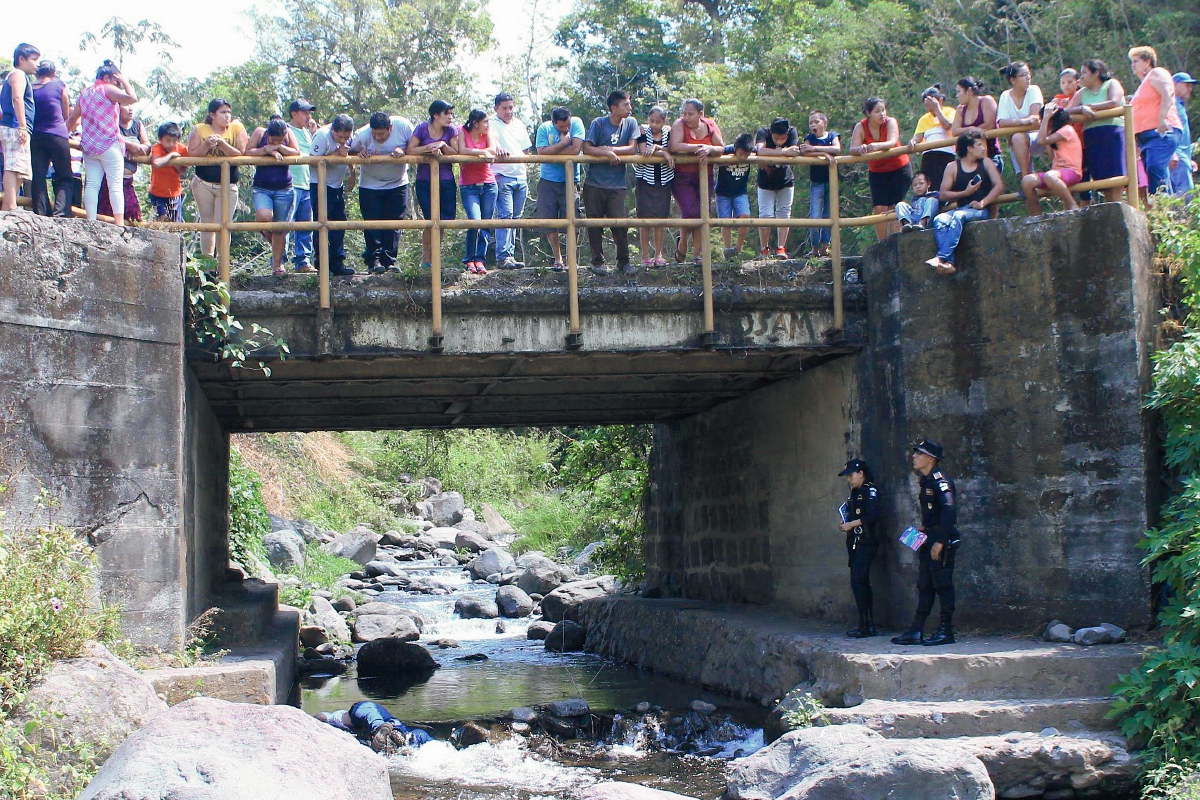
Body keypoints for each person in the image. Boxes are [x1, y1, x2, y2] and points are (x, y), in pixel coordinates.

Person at [891, 439, 960, 647]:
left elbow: (949, 510)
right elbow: (936, 513)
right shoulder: (927, 480)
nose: (914, 456)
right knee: (925, 585)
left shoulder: (940, 481)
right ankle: (916, 630)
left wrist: (940, 541)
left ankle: (946, 631)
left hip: (942, 541)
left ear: (930, 458)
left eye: (919, 453)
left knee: (943, 585)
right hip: (930, 538)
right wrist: (926, 529)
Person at [69, 61, 138, 226]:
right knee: (115, 185)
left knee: (92, 184)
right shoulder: (107, 89)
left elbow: (73, 119)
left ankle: (91, 221)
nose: (117, 84)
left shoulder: (85, 93)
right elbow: (132, 98)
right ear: (107, 78)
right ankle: (119, 223)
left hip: (90, 146)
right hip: (109, 144)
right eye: (116, 81)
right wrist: (125, 82)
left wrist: (63, 134)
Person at [926, 131, 1004, 276]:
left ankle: (941, 257)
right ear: (969, 148)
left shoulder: (986, 163)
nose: (983, 148)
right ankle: (949, 263)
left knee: (958, 216)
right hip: (961, 208)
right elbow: (943, 194)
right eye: (979, 145)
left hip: (980, 210)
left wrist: (982, 202)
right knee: (940, 219)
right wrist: (965, 193)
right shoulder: (952, 167)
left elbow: (999, 186)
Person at [582, 89, 640, 274]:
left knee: (620, 223)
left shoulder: (631, 123)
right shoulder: (599, 123)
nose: (629, 108)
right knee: (594, 223)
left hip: (617, 184)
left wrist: (612, 150)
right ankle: (597, 262)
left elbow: (632, 148)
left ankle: (624, 262)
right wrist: (606, 153)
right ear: (614, 108)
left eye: (629, 104)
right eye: (626, 104)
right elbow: (588, 148)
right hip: (594, 183)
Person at [350, 112, 415, 273]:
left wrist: (404, 150)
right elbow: (347, 151)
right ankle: (374, 262)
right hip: (370, 185)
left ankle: (390, 260)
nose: (377, 137)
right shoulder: (362, 135)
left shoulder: (404, 126)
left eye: (381, 133)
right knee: (372, 223)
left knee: (394, 223)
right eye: (375, 134)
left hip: (397, 183)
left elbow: (416, 146)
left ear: (390, 128)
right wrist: (359, 153)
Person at [185, 98, 248, 256]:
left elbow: (241, 152)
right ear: (212, 115)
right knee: (208, 225)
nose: (227, 115)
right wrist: (206, 145)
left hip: (228, 185)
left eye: (228, 112)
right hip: (203, 183)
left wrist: (222, 144)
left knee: (224, 225)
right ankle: (208, 264)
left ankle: (222, 265)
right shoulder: (200, 129)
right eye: (222, 112)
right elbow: (191, 153)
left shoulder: (236, 128)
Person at [669, 99, 724, 264]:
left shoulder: (710, 125)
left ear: (701, 113)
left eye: (690, 114)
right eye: (685, 113)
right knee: (691, 212)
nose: (686, 117)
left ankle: (697, 255)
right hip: (682, 177)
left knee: (702, 214)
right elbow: (675, 146)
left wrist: (709, 149)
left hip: (705, 175)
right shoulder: (679, 124)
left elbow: (721, 147)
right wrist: (698, 148)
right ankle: (683, 242)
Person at [409, 100, 460, 270]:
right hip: (425, 180)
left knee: (444, 220)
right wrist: (429, 148)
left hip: (446, 180)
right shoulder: (422, 128)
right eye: (447, 114)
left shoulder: (451, 130)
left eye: (451, 114)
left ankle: (435, 258)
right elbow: (411, 150)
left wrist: (443, 145)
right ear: (435, 115)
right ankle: (426, 259)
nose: (450, 117)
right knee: (431, 220)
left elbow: (456, 152)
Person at [1066, 60, 1127, 203]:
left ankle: (1117, 204)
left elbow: (1114, 102)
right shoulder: (1082, 92)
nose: (1081, 77)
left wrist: (1090, 107)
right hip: (1092, 136)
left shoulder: (1111, 84)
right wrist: (1081, 109)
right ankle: (1109, 205)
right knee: (1101, 174)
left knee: (1116, 171)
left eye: (1085, 73)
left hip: (1113, 132)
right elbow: (1067, 110)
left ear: (1096, 73)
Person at [851, 97, 911, 241]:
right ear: (868, 113)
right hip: (877, 171)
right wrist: (862, 148)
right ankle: (883, 244)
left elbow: (892, 141)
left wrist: (877, 146)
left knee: (895, 206)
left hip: (899, 168)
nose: (882, 114)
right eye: (877, 111)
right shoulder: (861, 126)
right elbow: (852, 149)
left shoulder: (891, 122)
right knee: (879, 208)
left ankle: (895, 241)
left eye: (883, 110)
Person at [533, 106, 585, 270]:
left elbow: (575, 149)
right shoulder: (544, 128)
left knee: (573, 218)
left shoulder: (576, 123)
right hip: (548, 180)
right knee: (549, 220)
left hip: (570, 180)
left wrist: (552, 152)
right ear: (554, 122)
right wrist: (563, 143)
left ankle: (572, 259)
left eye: (567, 125)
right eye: (561, 127)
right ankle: (558, 258)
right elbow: (541, 153)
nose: (566, 129)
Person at [247, 118, 300, 276]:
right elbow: (247, 151)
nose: (275, 141)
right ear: (267, 133)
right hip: (262, 187)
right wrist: (267, 149)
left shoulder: (289, 133)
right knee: (264, 216)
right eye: (272, 139)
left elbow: (296, 152)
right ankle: (270, 237)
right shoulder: (259, 132)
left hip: (284, 188)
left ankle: (277, 266)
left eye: (279, 139)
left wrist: (279, 147)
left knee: (280, 229)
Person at [1128, 46, 1183, 196]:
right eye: (1131, 62)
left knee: (1154, 169)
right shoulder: (1142, 86)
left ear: (1147, 62)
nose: (1133, 65)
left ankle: (1161, 206)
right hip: (1146, 137)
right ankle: (1169, 210)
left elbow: (1167, 92)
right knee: (1157, 173)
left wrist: (1161, 119)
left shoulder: (1157, 73)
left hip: (1160, 131)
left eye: (1136, 61)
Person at [837, 459, 881, 639]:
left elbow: (872, 516)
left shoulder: (870, 491)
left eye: (850, 475)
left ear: (861, 473)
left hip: (866, 541)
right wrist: (845, 523)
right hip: (855, 541)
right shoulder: (855, 493)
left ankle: (868, 625)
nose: (848, 479)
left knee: (859, 580)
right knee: (857, 582)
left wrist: (852, 524)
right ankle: (864, 624)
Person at [310, 114, 358, 276]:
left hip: (337, 186)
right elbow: (312, 161)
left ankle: (337, 262)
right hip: (320, 185)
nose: (344, 140)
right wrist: (335, 155)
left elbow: (349, 153)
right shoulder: (322, 136)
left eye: (346, 136)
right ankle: (322, 264)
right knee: (322, 225)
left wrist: (352, 172)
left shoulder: (348, 138)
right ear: (333, 130)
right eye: (340, 136)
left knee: (339, 225)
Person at [491, 93, 534, 269]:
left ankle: (510, 255)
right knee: (505, 215)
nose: (509, 111)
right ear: (496, 109)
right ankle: (502, 257)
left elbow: (526, 149)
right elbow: (490, 142)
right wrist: (498, 150)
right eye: (504, 108)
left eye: (511, 107)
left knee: (515, 218)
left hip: (520, 176)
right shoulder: (491, 123)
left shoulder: (519, 124)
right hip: (502, 175)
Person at [456, 109, 499, 274]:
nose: (488, 125)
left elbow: (493, 148)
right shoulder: (463, 131)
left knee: (485, 223)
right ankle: (469, 259)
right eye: (485, 122)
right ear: (475, 123)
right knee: (475, 221)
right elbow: (463, 150)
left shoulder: (487, 133)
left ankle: (480, 259)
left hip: (488, 184)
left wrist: (487, 151)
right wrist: (483, 152)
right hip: (469, 185)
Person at [1021, 104, 1083, 216]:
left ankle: (1073, 205)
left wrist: (1046, 117)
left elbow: (1040, 141)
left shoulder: (1067, 129)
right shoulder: (1051, 135)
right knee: (1027, 181)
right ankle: (1036, 216)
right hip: (1057, 173)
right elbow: (1050, 154)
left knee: (1050, 176)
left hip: (1072, 171)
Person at [633, 106, 675, 268]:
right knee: (645, 220)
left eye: (658, 122)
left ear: (664, 121)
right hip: (645, 180)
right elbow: (644, 151)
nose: (654, 125)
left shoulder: (669, 131)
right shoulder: (643, 130)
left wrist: (659, 149)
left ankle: (658, 254)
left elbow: (672, 149)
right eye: (652, 121)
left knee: (660, 219)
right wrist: (664, 153)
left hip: (664, 181)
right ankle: (644, 255)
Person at [29, 59, 72, 217]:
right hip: (57, 134)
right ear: (53, 73)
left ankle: (40, 212)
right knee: (64, 175)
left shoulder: (30, 88)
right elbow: (65, 113)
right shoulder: (59, 85)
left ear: (37, 73)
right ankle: (61, 213)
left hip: (36, 136)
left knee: (38, 176)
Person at [755, 117, 800, 259]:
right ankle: (764, 249)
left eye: (783, 138)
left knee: (784, 214)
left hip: (785, 181)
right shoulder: (763, 132)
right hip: (765, 182)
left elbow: (795, 150)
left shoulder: (792, 132)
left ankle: (781, 248)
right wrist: (784, 152)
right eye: (776, 138)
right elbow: (760, 150)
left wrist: (783, 151)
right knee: (765, 215)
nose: (780, 141)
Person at [2, 44, 40, 212]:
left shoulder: (20, 75)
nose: (36, 64)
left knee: (20, 167)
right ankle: (10, 204)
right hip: (14, 126)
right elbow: (17, 98)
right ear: (21, 59)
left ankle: (8, 204)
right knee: (13, 165)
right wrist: (22, 126)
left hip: (17, 127)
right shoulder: (18, 74)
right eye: (34, 59)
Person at [97, 104, 149, 223]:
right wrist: (127, 145)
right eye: (126, 105)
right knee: (106, 215)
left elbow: (147, 146)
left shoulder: (137, 125)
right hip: (109, 179)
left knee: (133, 215)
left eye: (132, 105)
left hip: (127, 180)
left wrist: (137, 149)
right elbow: (107, 140)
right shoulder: (110, 123)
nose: (130, 109)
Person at [316, 702, 433, 752]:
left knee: (370, 714)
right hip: (401, 729)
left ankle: (379, 728)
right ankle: (447, 747)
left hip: (363, 712)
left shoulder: (336, 717)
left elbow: (322, 716)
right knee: (420, 738)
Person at [800, 111, 840, 258]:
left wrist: (816, 149)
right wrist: (824, 155)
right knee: (815, 216)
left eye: (816, 122)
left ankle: (825, 247)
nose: (813, 125)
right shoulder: (809, 138)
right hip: (816, 182)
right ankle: (815, 248)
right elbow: (804, 151)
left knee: (829, 215)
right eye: (811, 123)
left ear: (824, 122)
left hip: (832, 181)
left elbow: (837, 149)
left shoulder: (832, 136)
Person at [996, 62, 1044, 182]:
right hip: (1018, 142)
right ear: (1013, 80)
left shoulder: (1034, 90)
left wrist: (1014, 129)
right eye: (1024, 75)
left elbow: (1035, 119)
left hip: (1039, 137)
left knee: (1016, 137)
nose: (1028, 77)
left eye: (1028, 74)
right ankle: (1026, 179)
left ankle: (1026, 178)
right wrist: (1023, 122)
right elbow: (1002, 122)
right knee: (1017, 138)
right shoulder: (1005, 96)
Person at [286, 99, 318, 273]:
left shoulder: (308, 133)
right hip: (290, 183)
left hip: (307, 183)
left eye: (309, 113)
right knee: (286, 224)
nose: (308, 116)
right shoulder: (285, 129)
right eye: (305, 112)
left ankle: (303, 261)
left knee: (306, 224)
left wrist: (314, 133)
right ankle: (280, 262)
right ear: (294, 114)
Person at [909, 85, 957, 194]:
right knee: (930, 189)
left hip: (945, 155)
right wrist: (913, 141)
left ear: (940, 100)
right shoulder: (924, 119)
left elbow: (947, 125)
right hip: (928, 156)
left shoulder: (950, 111)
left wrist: (937, 109)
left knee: (944, 186)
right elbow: (918, 136)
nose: (929, 110)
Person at [715, 133, 754, 260]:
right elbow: (715, 158)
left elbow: (763, 152)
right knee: (726, 222)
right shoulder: (727, 150)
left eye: (746, 155)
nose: (743, 157)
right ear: (736, 148)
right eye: (741, 154)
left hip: (740, 192)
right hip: (723, 193)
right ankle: (727, 250)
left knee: (745, 216)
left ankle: (738, 247)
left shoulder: (752, 150)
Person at [951, 76, 1002, 172]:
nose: (956, 96)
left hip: (991, 156)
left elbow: (990, 125)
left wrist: (968, 132)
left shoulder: (986, 101)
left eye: (958, 92)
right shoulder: (960, 109)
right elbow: (955, 131)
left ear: (969, 91)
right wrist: (972, 129)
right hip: (968, 160)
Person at [149, 122, 188, 222]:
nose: (171, 144)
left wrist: (174, 163)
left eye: (174, 141)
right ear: (160, 139)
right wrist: (171, 156)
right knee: (163, 219)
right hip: (157, 193)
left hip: (174, 193)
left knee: (176, 223)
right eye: (168, 140)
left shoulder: (182, 149)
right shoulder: (157, 148)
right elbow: (157, 163)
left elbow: (183, 170)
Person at [1170, 73, 1196, 196]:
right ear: (1174, 85)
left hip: (1183, 157)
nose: (1190, 88)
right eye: (1187, 85)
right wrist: (1174, 153)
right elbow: (1169, 130)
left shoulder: (1179, 104)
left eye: (1191, 86)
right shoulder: (1171, 104)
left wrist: (1189, 159)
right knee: (1186, 193)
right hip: (1177, 156)